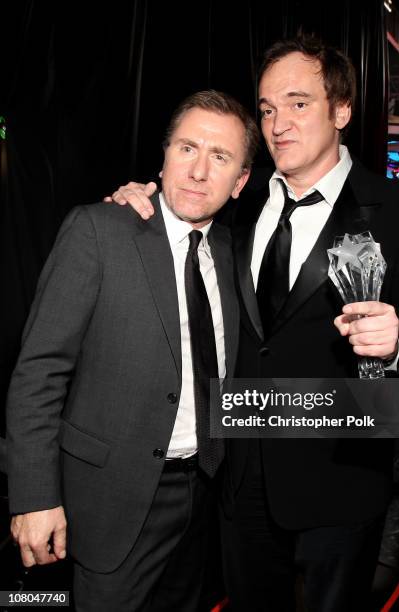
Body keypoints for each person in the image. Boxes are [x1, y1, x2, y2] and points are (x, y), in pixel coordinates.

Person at [107, 35, 399, 611]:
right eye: (268, 109)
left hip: (340, 482)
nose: (278, 124)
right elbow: (182, 213)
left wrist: (397, 345)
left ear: (341, 110)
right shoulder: (237, 201)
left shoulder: (398, 212)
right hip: (239, 480)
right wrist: (137, 205)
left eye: (298, 103)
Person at [6, 90, 258, 611]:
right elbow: (39, 371)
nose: (198, 171)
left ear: (240, 183)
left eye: (220, 157)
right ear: (163, 157)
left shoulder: (239, 255)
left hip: (207, 496)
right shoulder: (98, 231)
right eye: (187, 148)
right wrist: (34, 496)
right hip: (111, 497)